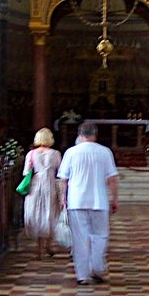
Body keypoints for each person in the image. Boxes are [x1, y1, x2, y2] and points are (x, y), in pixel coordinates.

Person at [57, 121, 119, 285]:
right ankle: (97, 268)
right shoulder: (105, 152)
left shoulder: (71, 152)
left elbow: (63, 180)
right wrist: (115, 199)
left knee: (79, 238)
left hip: (76, 200)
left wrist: (63, 198)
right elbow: (112, 179)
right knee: (100, 235)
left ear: (80, 134)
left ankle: (82, 275)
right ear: (95, 134)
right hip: (99, 200)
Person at [22, 127, 62, 259]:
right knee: (50, 213)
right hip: (50, 184)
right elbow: (60, 171)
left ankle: (39, 249)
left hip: (35, 184)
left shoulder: (31, 154)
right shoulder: (56, 154)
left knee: (37, 213)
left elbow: (26, 172)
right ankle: (49, 244)